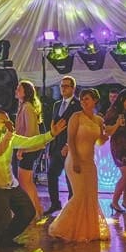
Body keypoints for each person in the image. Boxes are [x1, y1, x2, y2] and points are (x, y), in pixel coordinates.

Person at [0, 108, 65, 250]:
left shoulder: (8, 136)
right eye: (3, 121)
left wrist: (51, 134)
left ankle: (5, 240)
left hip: (11, 184)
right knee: (3, 217)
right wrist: (9, 135)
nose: (8, 123)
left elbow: (30, 142)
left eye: (8, 119)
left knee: (28, 211)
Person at [48, 88, 111, 242]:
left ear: (95, 100)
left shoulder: (98, 120)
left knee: (90, 196)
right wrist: (75, 159)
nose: (83, 101)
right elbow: (70, 139)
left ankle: (87, 231)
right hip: (74, 160)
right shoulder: (76, 117)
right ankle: (62, 228)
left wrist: (108, 132)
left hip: (90, 162)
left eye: (87, 99)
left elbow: (101, 141)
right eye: (82, 99)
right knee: (79, 194)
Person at [45, 75, 81, 217]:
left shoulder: (77, 105)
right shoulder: (57, 104)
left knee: (69, 178)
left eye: (66, 86)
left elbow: (78, 128)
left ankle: (72, 205)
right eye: (62, 86)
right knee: (51, 174)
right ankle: (55, 203)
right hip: (56, 147)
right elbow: (53, 126)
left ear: (73, 88)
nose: (63, 88)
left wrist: (68, 145)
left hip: (69, 147)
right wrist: (50, 145)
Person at [14, 80, 43, 220]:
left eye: (19, 89)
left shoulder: (27, 108)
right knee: (28, 181)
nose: (16, 90)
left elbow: (30, 131)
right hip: (30, 147)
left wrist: (22, 149)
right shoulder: (24, 106)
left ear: (26, 92)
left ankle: (33, 212)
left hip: (29, 148)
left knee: (24, 181)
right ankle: (37, 210)